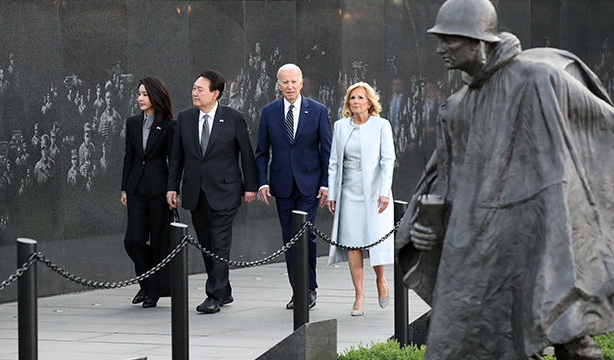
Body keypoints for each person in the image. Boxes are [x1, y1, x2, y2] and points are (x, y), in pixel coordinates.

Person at [397, 0, 614, 359]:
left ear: (479, 42)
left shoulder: (537, 79)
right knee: (461, 341)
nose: (440, 49)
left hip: (539, 228)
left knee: (564, 329)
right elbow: (444, 181)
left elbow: (598, 128)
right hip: (478, 242)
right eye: (440, 39)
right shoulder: (456, 106)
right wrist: (425, 225)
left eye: (450, 40)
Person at [167, 69, 258, 314]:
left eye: (200, 89)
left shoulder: (233, 118)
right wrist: (171, 188)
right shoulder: (185, 118)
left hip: (226, 191)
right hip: (196, 192)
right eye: (194, 88)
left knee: (220, 243)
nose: (194, 93)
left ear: (215, 94)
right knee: (206, 243)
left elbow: (246, 154)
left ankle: (213, 295)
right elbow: (177, 157)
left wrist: (251, 186)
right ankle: (224, 289)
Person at [254, 63, 331, 309]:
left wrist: (326, 184)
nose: (289, 86)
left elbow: (327, 151)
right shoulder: (269, 111)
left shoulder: (318, 111)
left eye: (293, 81)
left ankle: (309, 287)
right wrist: (262, 182)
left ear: (301, 83)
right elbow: (261, 152)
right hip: (282, 185)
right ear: (278, 84)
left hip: (309, 185)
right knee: (289, 238)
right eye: (284, 82)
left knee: (306, 235)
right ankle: (298, 290)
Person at [326, 82, 395, 316]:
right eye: (352, 98)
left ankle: (381, 280)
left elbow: (388, 161)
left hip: (375, 192)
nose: (356, 101)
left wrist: (384, 192)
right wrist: (333, 195)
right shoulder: (340, 126)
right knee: (354, 244)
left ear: (369, 102)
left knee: (374, 240)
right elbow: (334, 162)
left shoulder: (381, 126)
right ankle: (359, 295)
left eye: (360, 98)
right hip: (348, 193)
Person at [120, 76, 176, 308]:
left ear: (155, 96)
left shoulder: (169, 124)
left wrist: (173, 188)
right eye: (139, 94)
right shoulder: (132, 122)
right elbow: (129, 157)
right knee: (133, 240)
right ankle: (147, 281)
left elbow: (174, 160)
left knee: (160, 240)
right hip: (135, 189)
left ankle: (152, 290)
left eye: (145, 94)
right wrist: (124, 187)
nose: (140, 98)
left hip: (159, 190)